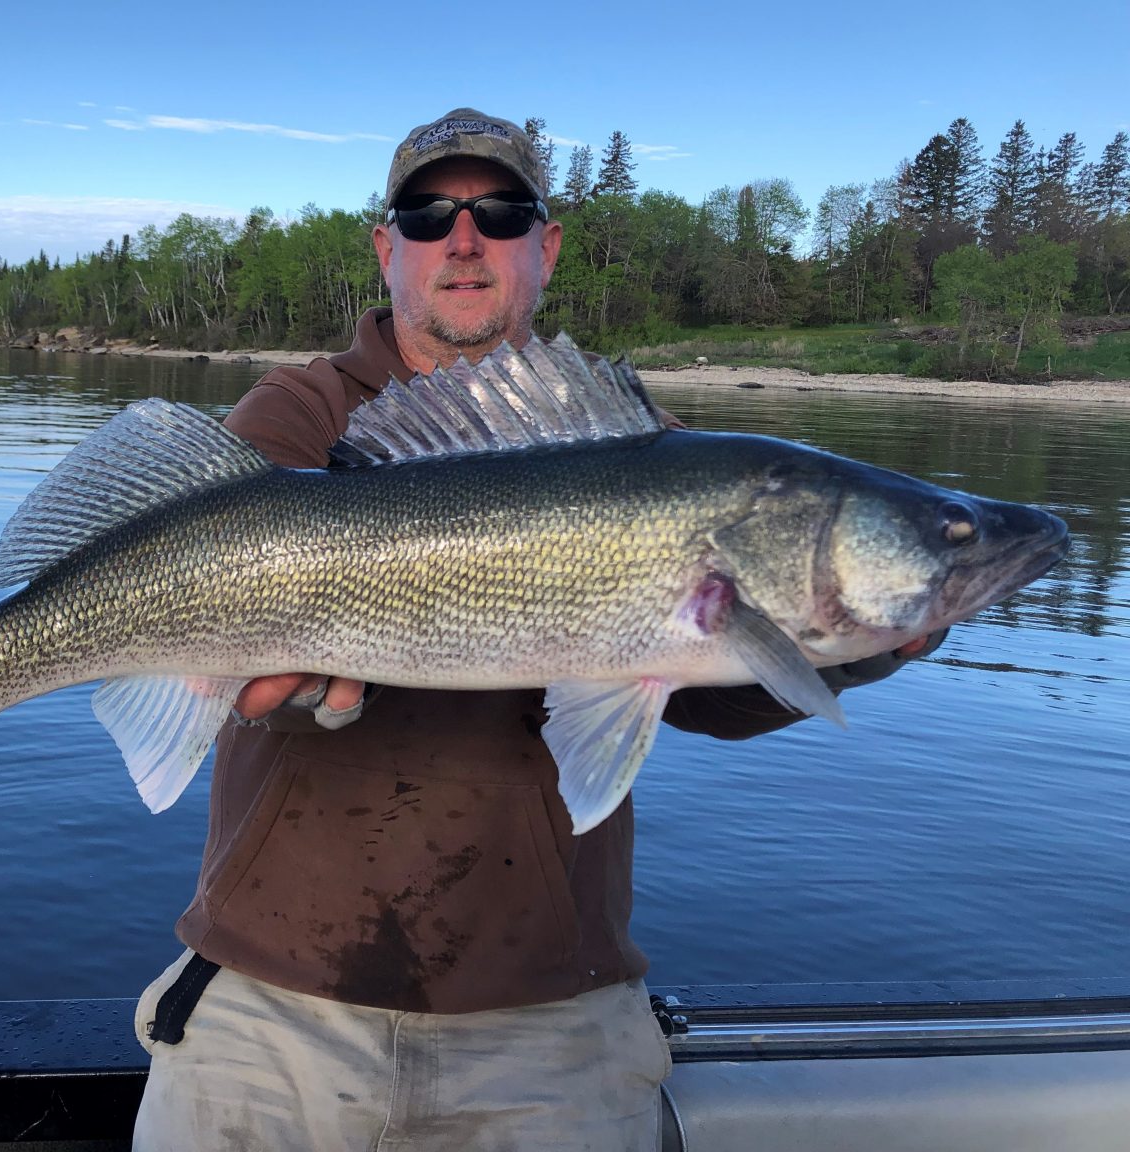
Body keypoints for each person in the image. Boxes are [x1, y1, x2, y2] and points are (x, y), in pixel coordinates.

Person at [131, 108, 941, 1151]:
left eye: (499, 211)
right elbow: (223, 623)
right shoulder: (299, 414)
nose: (462, 239)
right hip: (274, 1010)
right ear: (388, 249)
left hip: (552, 1028)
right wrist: (293, 704)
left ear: (544, 247)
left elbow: (716, 701)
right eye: (428, 216)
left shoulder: (650, 456)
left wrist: (870, 640)